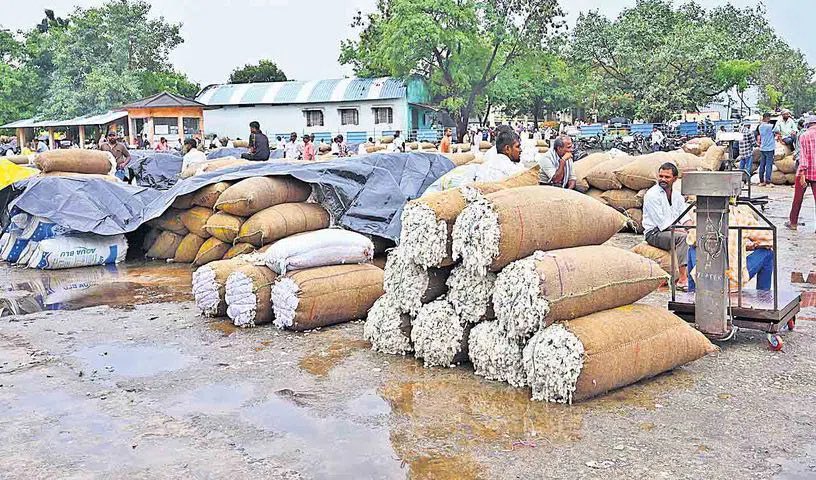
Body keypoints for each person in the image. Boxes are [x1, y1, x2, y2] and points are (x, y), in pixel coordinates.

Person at [688, 205, 774, 292]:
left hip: (706, 278)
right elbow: (770, 240)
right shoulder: (743, 217)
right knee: (767, 253)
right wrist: (750, 245)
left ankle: (692, 291)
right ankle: (763, 294)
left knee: (692, 248)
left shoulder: (703, 216)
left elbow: (690, 240)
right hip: (733, 280)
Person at [642, 163, 691, 290]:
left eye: (667, 177)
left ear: (675, 179)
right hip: (655, 233)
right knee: (683, 238)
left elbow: (684, 216)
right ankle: (682, 279)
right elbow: (662, 224)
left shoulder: (677, 196)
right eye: (661, 176)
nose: (663, 179)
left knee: (694, 236)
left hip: (671, 229)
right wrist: (684, 231)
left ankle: (694, 275)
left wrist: (693, 229)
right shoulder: (652, 195)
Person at [785, 114, 816, 231]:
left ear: (807, 124)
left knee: (797, 199)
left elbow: (803, 156)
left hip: (805, 172)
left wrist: (802, 173)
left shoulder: (804, 136)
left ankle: (793, 223)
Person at [756, 112, 775, 187]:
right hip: (770, 148)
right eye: (769, 118)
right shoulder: (770, 126)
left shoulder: (760, 126)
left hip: (763, 148)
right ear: (767, 118)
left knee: (762, 165)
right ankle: (768, 182)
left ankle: (761, 181)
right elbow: (777, 128)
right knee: (768, 165)